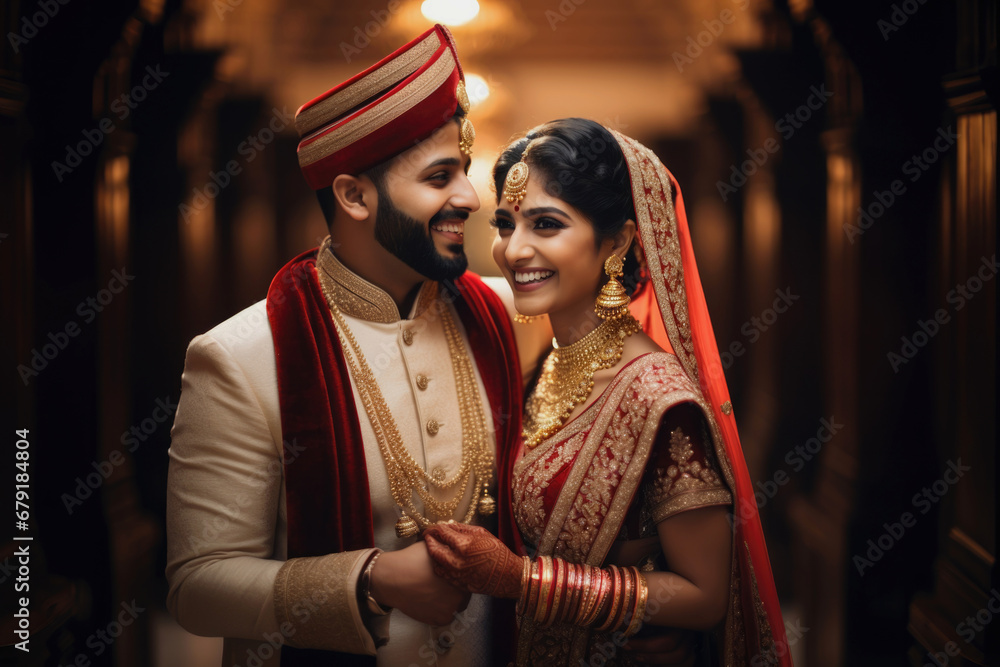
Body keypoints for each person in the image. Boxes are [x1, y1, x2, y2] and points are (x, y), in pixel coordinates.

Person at [165, 27, 688, 667]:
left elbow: (633, 392)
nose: (470, 198)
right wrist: (370, 580)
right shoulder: (240, 357)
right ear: (355, 196)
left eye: (464, 172)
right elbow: (196, 587)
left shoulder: (506, 314)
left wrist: (641, 603)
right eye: (440, 177)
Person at [423, 119, 793, 666]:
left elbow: (705, 596)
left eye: (546, 224)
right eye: (506, 224)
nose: (513, 250)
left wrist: (521, 580)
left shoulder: (658, 397)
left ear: (617, 240)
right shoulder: (548, 360)